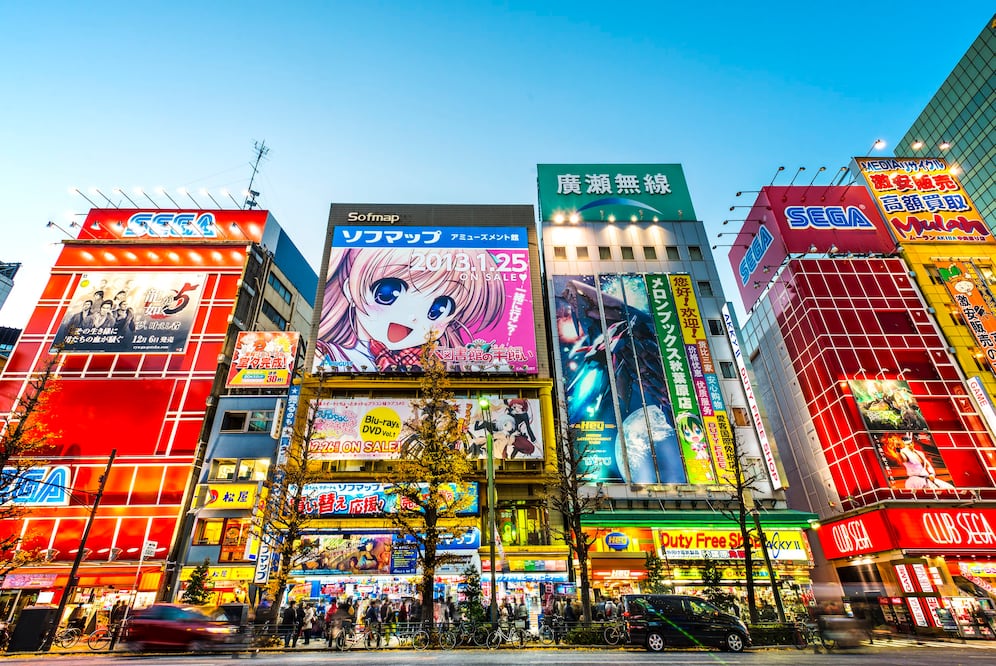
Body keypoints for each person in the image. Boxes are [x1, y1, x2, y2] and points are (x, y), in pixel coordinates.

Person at [313, 246, 507, 373]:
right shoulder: (327, 357)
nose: (412, 317)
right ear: (349, 289)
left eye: (438, 309)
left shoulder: (440, 366)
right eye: (388, 293)